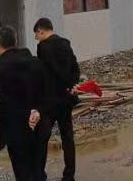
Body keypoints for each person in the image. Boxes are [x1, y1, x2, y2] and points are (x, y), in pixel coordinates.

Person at [0, 25, 48, 181]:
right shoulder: (35, 61)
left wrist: (2, 136)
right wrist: (38, 111)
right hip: (38, 123)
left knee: (22, 172)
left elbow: (1, 102)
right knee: (38, 169)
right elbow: (45, 91)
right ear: (16, 41)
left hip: (15, 128)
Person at [33, 17, 80, 181]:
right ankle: (69, 175)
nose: (36, 38)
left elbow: (45, 73)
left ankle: (39, 175)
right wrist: (71, 85)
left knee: (42, 137)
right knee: (67, 137)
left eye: (36, 34)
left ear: (41, 31)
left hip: (50, 100)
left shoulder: (43, 47)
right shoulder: (65, 44)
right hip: (66, 98)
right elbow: (75, 68)